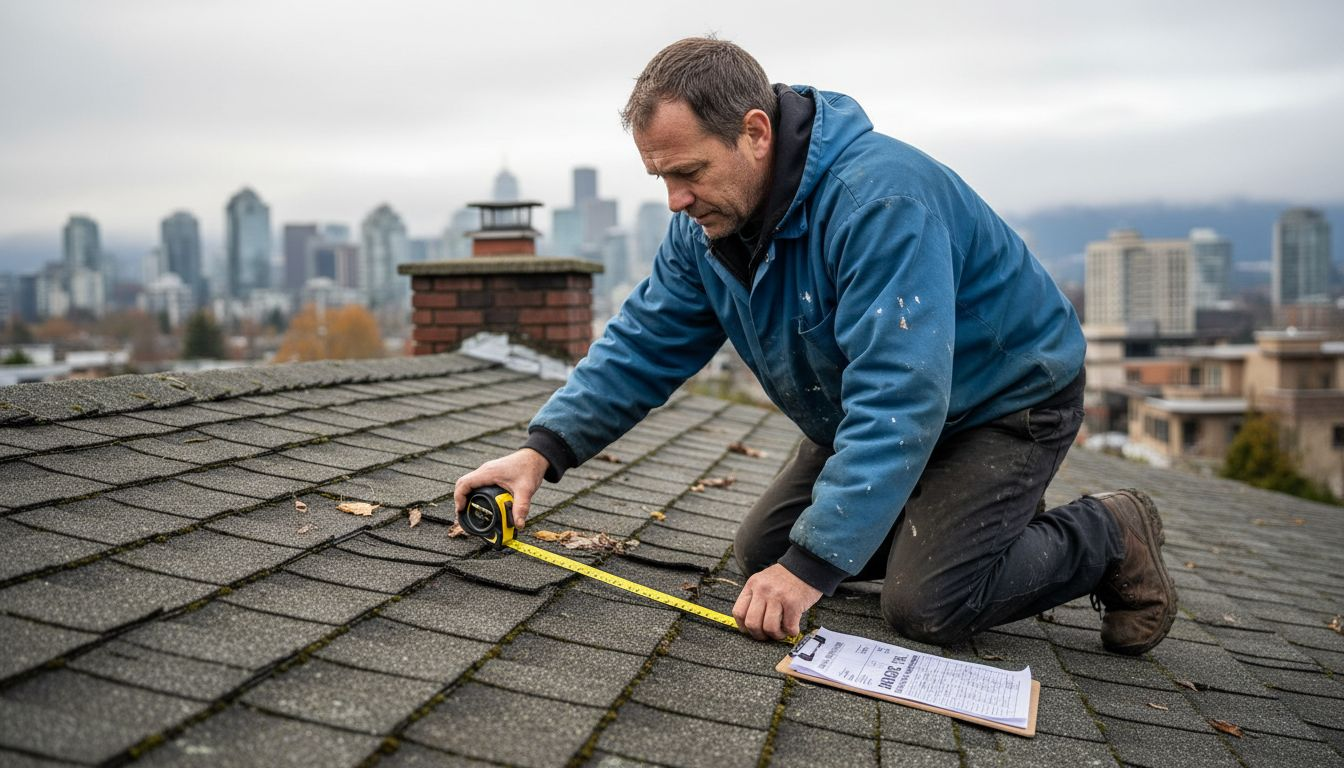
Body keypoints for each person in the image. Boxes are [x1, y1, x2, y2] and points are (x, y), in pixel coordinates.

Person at [453, 36, 1177, 655]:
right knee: (764, 557)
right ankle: (954, 517)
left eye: (689, 172)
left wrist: (817, 565)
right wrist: (540, 451)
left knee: (925, 605)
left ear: (756, 132)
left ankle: (1109, 531)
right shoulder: (703, 233)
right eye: (661, 177)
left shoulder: (877, 202)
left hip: (1003, 403)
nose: (675, 198)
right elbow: (644, 343)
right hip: (864, 411)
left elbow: (900, 393)